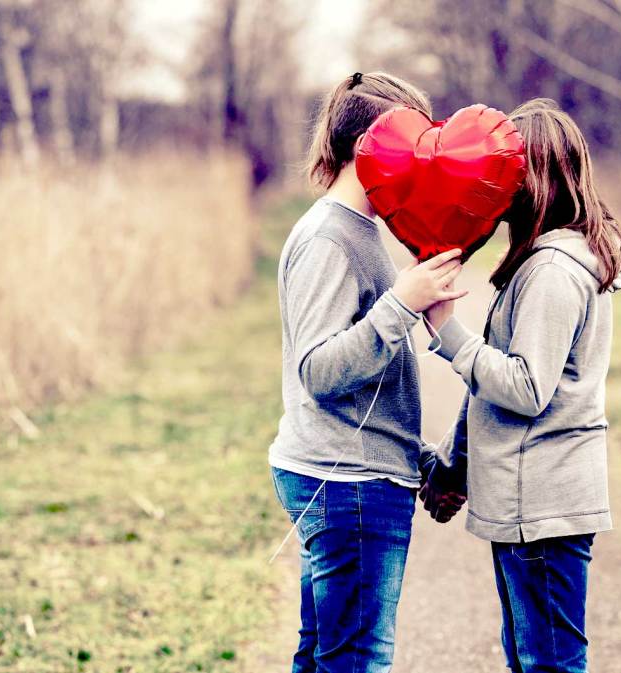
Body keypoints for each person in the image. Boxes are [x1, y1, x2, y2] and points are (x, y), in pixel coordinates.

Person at [420, 98, 621, 673]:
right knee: (530, 657)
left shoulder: (553, 272)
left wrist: (448, 333)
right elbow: (490, 395)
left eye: (504, 172)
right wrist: (453, 467)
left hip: (542, 504)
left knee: (550, 662)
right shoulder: (542, 262)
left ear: (533, 178)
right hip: (527, 503)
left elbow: (526, 387)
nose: (492, 185)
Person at [268, 71, 466, 673]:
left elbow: (370, 386)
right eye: (413, 149)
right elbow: (319, 371)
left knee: (327, 655)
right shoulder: (330, 238)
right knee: (357, 661)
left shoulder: (362, 230)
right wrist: (401, 303)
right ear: (368, 150)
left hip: (357, 478)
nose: (422, 166)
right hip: (345, 486)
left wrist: (421, 461)